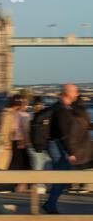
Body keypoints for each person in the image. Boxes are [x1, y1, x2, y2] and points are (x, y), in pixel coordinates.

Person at [42, 84, 78, 214]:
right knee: (62, 174)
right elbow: (63, 134)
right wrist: (71, 153)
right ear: (68, 93)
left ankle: (50, 203)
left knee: (63, 175)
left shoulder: (63, 107)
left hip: (57, 144)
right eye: (75, 92)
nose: (77, 94)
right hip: (57, 145)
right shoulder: (61, 109)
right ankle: (50, 204)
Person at [66, 96, 92, 193]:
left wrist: (71, 150)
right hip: (85, 144)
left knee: (75, 166)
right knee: (83, 166)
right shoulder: (85, 114)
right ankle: (82, 186)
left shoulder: (73, 117)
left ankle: (73, 186)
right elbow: (88, 126)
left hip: (77, 146)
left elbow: (72, 134)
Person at [28, 96, 52, 195]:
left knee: (43, 166)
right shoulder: (34, 117)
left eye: (40, 105)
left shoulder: (31, 116)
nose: (39, 107)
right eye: (38, 105)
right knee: (39, 166)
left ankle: (44, 187)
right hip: (37, 146)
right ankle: (41, 188)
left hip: (41, 145)